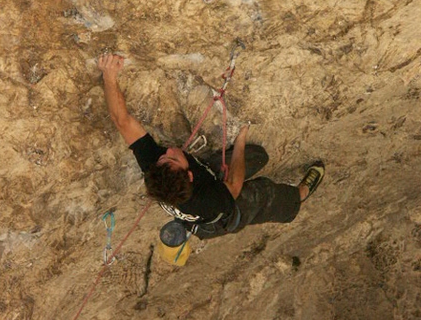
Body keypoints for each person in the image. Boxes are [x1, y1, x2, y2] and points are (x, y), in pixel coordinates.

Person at [98, 53, 325, 241]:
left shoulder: (155, 170)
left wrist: (109, 76)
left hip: (204, 187)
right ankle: (300, 195)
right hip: (219, 218)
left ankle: (250, 162)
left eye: (164, 157)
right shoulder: (210, 201)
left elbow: (122, 120)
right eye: (173, 158)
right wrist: (240, 141)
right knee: (261, 193)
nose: (168, 151)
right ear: (189, 175)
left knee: (258, 156)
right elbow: (234, 185)